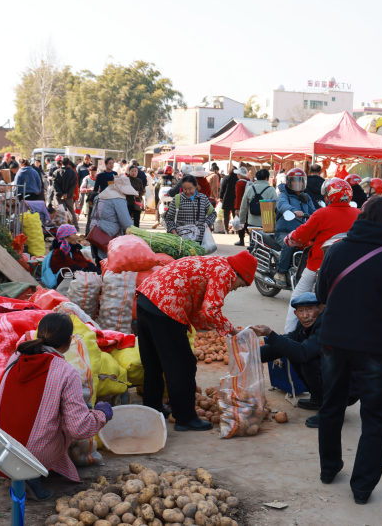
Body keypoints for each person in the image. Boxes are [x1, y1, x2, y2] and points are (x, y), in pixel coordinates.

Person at [315, 196, 382, 503]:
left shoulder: (337, 249)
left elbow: (322, 292)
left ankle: (328, 468)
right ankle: (362, 488)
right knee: (374, 417)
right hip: (374, 347)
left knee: (331, 404)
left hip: (333, 340)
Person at [0, 313, 113, 500]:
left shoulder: (17, 356)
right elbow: (79, 428)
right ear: (68, 342)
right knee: (66, 425)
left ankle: (22, 472)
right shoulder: (66, 372)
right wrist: (101, 414)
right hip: (26, 458)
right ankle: (30, 475)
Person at [135, 251, 257, 430]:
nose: (235, 289)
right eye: (240, 285)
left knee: (154, 363)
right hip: (166, 307)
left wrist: (214, 326)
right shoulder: (226, 272)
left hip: (146, 299)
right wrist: (231, 331)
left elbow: (199, 308)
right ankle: (185, 418)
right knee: (183, 365)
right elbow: (211, 309)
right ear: (239, 274)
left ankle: (153, 408)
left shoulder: (214, 263)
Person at [282, 179, 359, 335]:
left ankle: (288, 335)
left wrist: (288, 239)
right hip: (352, 268)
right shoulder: (359, 215)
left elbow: (300, 235)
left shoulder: (322, 214)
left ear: (329, 196)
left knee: (297, 297)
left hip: (318, 266)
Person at [252, 292, 325, 412]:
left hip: (347, 386)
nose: (306, 315)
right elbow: (288, 342)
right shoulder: (303, 326)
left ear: (320, 309)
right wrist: (253, 355)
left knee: (307, 360)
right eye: (301, 311)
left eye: (310, 309)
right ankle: (318, 400)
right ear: (296, 314)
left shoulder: (325, 325)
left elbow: (304, 353)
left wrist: (270, 334)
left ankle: (328, 408)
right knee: (291, 350)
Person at [274, 168, 316, 288]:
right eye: (295, 181)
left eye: (300, 181)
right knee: (289, 244)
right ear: (289, 182)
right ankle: (280, 273)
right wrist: (293, 210)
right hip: (284, 231)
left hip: (301, 231)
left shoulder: (306, 197)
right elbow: (282, 205)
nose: (298, 184)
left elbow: (314, 211)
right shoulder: (283, 194)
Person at [87, 175, 137, 260]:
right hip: (107, 235)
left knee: (98, 261)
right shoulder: (118, 200)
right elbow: (126, 223)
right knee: (107, 263)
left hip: (94, 232)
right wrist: (137, 233)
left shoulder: (99, 196)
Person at [164, 175, 216, 244]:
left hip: (199, 240)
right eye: (185, 189)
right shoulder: (177, 199)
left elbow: (213, 213)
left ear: (196, 187)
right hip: (181, 240)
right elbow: (169, 218)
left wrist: (206, 224)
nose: (187, 191)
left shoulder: (203, 199)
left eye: (190, 189)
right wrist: (174, 233)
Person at [238, 168, 278, 245]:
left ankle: (252, 254)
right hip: (267, 224)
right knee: (265, 245)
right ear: (267, 178)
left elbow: (243, 207)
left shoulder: (249, 188)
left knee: (253, 243)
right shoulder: (271, 190)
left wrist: (242, 221)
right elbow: (276, 207)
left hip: (252, 223)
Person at [53, 158, 79, 225]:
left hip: (59, 196)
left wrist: (61, 193)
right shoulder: (73, 172)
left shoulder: (56, 172)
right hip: (69, 196)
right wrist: (67, 193)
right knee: (72, 211)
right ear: (68, 163)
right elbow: (74, 184)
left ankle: (62, 227)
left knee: (61, 212)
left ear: (61, 163)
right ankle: (75, 227)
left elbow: (55, 184)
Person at [219, 164, 239, 233]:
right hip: (235, 198)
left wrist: (221, 197)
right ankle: (236, 229)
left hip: (226, 198)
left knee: (226, 215)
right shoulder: (238, 179)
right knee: (235, 215)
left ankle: (226, 229)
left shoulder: (226, 178)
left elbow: (222, 189)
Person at [233, 166, 250, 245]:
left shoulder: (239, 183)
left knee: (241, 223)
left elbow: (238, 196)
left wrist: (237, 208)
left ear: (240, 175)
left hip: (241, 206)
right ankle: (251, 239)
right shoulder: (249, 181)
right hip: (248, 206)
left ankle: (241, 240)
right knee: (247, 223)